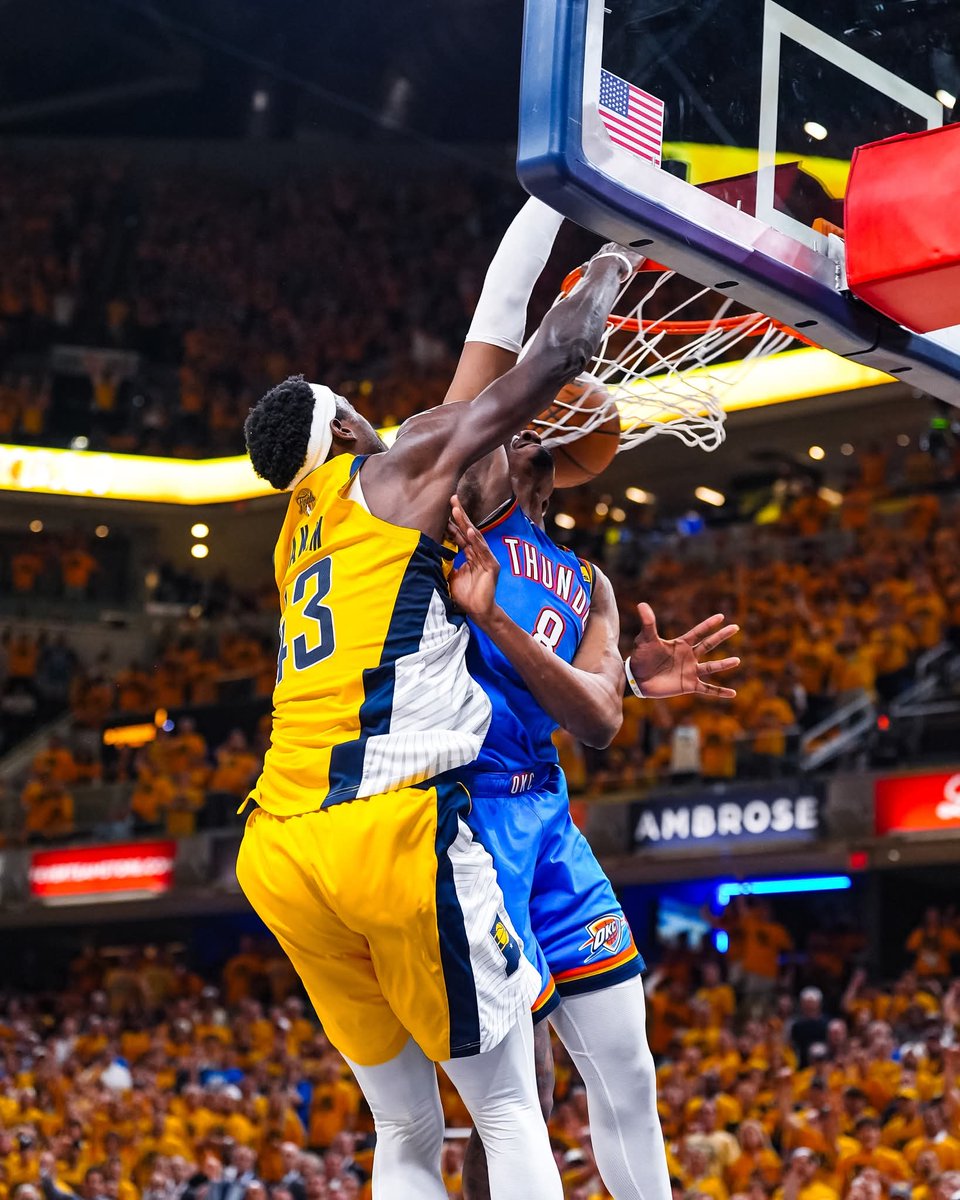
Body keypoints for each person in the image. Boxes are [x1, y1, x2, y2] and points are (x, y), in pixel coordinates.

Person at [237, 233, 642, 1200]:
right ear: (340, 431)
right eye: (351, 407)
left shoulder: (298, 538)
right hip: (391, 825)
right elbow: (544, 350)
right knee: (507, 1110)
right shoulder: (402, 466)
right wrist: (616, 250)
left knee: (404, 1124)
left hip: (279, 847)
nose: (371, 411)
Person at [436, 196, 739, 1199]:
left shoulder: (590, 582)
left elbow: (600, 721)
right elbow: (497, 310)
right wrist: (557, 192)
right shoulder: (468, 503)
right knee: (505, 1105)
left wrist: (625, 684)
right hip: (463, 820)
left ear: (557, 461)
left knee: (629, 1070)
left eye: (536, 437)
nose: (521, 438)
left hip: (547, 818)